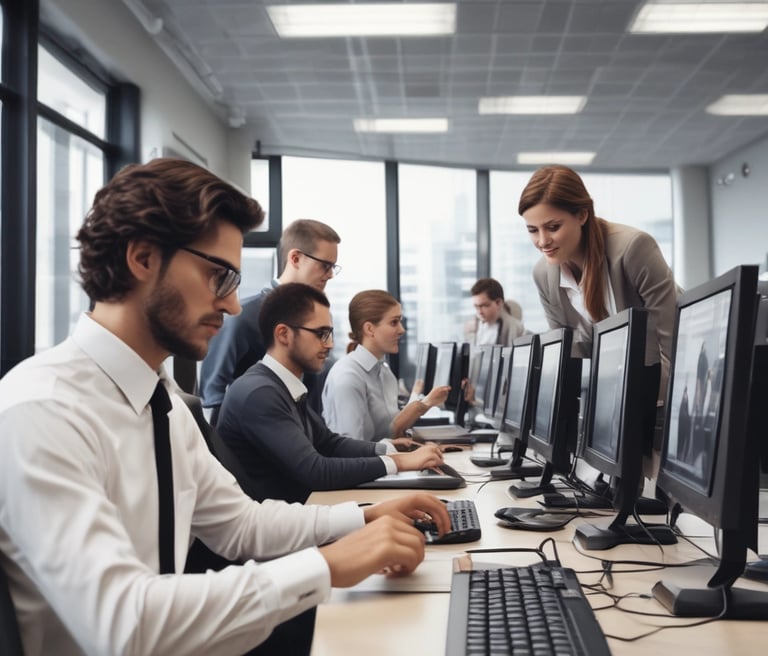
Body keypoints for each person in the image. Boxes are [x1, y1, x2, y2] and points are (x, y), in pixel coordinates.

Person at [0, 158, 450, 656]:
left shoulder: (163, 401)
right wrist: (326, 565)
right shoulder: (41, 409)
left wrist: (365, 517)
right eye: (218, 276)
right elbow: (122, 625)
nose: (234, 306)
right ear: (143, 258)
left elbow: (242, 525)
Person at [216, 283, 446, 504]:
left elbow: (329, 443)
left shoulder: (282, 386)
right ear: (284, 334)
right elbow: (316, 471)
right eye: (321, 334)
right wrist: (399, 462)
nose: (329, 344)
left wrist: (390, 448)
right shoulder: (260, 393)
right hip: (276, 530)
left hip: (299, 511)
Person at [518, 164, 678, 450]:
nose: (543, 241)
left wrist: (645, 418)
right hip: (616, 401)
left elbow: (671, 347)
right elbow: (569, 356)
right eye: (533, 230)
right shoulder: (544, 273)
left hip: (665, 397)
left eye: (553, 227)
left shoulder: (633, 249)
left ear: (582, 214)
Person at [199, 218, 341, 423]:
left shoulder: (319, 317)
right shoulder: (244, 316)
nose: (330, 275)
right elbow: (213, 393)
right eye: (325, 266)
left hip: (302, 443)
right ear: (295, 258)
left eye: (333, 267)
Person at [322, 290, 451, 445]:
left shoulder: (384, 372)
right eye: (394, 322)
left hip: (383, 465)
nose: (402, 330)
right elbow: (352, 450)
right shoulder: (347, 377)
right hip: (366, 468)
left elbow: (389, 432)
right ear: (369, 329)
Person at [464, 277, 526, 347]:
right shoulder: (473, 327)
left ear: (499, 303)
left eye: (484, 305)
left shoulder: (517, 330)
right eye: (476, 306)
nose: (479, 311)